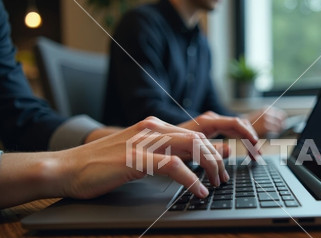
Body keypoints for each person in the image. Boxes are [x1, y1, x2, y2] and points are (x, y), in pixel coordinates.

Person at [0, 0, 259, 209]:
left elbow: (20, 114)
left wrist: (103, 140)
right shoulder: (141, 24)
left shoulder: (201, 43)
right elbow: (146, 109)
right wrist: (70, 163)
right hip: (133, 177)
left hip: (154, 164)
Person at [103, 0, 286, 137]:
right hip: (139, 164)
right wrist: (238, 125)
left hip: (180, 156)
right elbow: (148, 113)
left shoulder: (201, 44)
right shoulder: (140, 25)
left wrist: (245, 122)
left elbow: (212, 106)